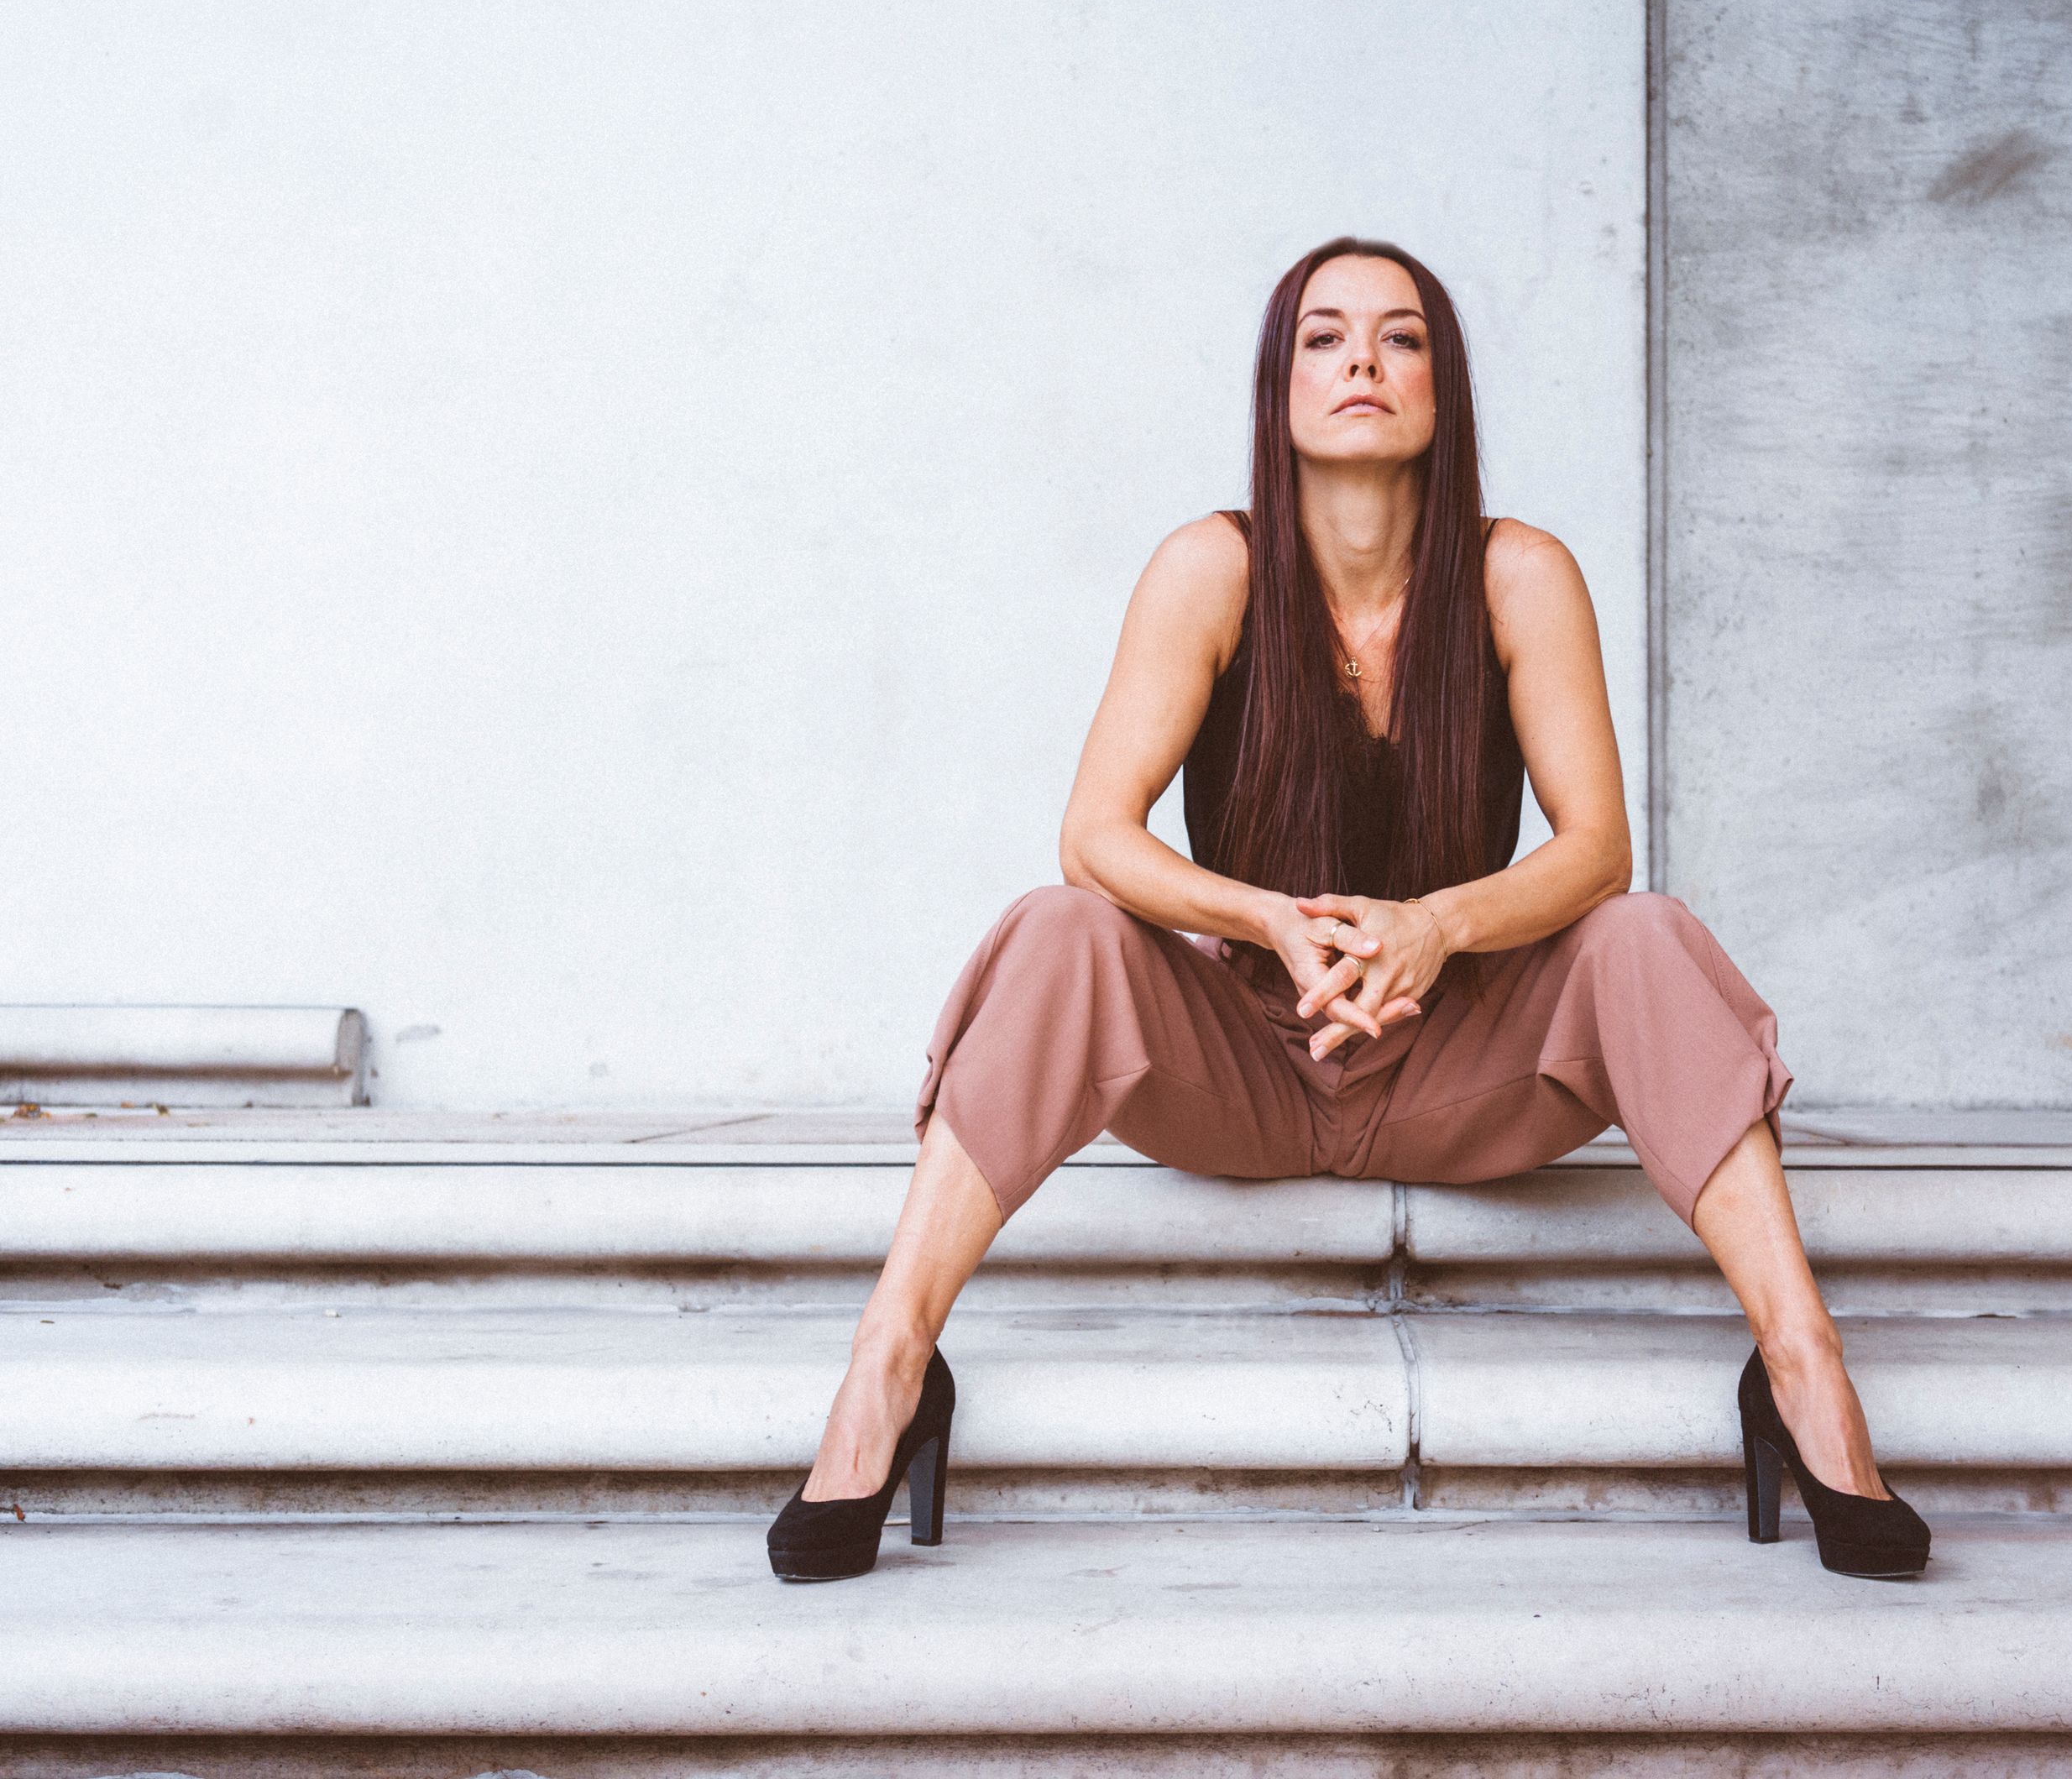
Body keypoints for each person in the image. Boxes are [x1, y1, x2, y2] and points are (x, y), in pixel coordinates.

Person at [766, 238, 1929, 1583]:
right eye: (1324, 337)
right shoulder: (1212, 566)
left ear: (1445, 385)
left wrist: (1438, 927)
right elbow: (1094, 833)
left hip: (1457, 1068)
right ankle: (890, 1366)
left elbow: (1597, 850)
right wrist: (1264, 917)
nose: (1362, 360)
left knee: (1645, 933)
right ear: (1280, 385)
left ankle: (1801, 1366)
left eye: (1401, 337)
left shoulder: (1520, 575)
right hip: (1244, 1069)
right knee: (1055, 924)